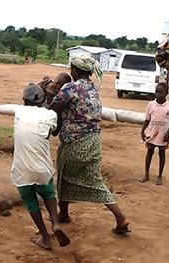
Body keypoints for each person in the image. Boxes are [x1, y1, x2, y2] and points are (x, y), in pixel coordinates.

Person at [50, 54, 130, 234]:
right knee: (90, 179)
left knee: (67, 176)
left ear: (76, 70)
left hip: (75, 142)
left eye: (72, 68)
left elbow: (53, 109)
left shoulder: (70, 88)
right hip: (93, 142)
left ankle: (64, 214)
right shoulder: (93, 89)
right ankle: (119, 217)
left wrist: (50, 93)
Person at [11, 83, 70, 250]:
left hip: (22, 169)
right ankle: (56, 223)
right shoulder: (49, 115)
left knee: (30, 201)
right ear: (43, 99)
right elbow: (54, 131)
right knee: (48, 192)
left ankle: (45, 237)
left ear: (24, 100)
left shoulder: (19, 112)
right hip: (43, 167)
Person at [140, 83, 169, 185]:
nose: (158, 94)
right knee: (149, 152)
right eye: (156, 92)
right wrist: (142, 131)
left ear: (166, 93)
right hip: (151, 133)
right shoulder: (151, 105)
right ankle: (146, 174)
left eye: (161, 92)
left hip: (163, 135)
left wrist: (168, 134)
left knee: (162, 154)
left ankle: (160, 175)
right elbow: (147, 119)